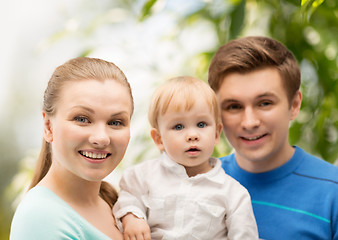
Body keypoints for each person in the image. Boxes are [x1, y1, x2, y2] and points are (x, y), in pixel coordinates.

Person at [208, 36, 338, 239]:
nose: (249, 122)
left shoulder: (333, 192)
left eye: (265, 103)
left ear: (294, 105)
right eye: (234, 106)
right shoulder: (198, 182)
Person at [113, 76, 258, 240]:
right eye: (179, 126)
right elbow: (128, 198)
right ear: (159, 139)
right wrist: (133, 218)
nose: (192, 135)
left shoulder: (234, 194)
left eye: (201, 124)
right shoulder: (141, 177)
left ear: (217, 134)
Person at [10, 57, 134, 240]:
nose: (101, 138)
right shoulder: (40, 218)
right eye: (82, 119)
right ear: (48, 127)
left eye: (115, 122)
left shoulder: (120, 205)